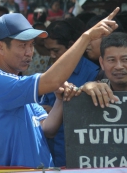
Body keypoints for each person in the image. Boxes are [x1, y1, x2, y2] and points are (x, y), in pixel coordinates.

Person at [0, 9, 120, 168]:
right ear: (0, 47)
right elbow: (53, 80)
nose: (29, 53)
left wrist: (60, 101)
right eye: (22, 45)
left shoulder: (17, 84)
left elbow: (48, 129)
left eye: (31, 45)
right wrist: (86, 38)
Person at [39, 21, 99, 167]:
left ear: (72, 45)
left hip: (79, 148)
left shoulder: (93, 73)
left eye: (56, 50)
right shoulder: (51, 69)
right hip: (51, 148)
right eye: (49, 51)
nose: (52, 56)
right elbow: (44, 104)